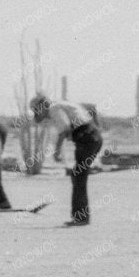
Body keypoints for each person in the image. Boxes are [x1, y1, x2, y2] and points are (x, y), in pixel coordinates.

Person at [33, 93, 103, 226]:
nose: (37, 113)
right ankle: (81, 217)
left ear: (42, 106)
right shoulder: (61, 106)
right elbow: (88, 111)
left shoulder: (53, 108)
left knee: (78, 176)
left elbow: (64, 128)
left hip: (87, 138)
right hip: (91, 137)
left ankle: (81, 218)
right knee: (78, 176)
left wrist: (57, 150)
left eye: (37, 110)